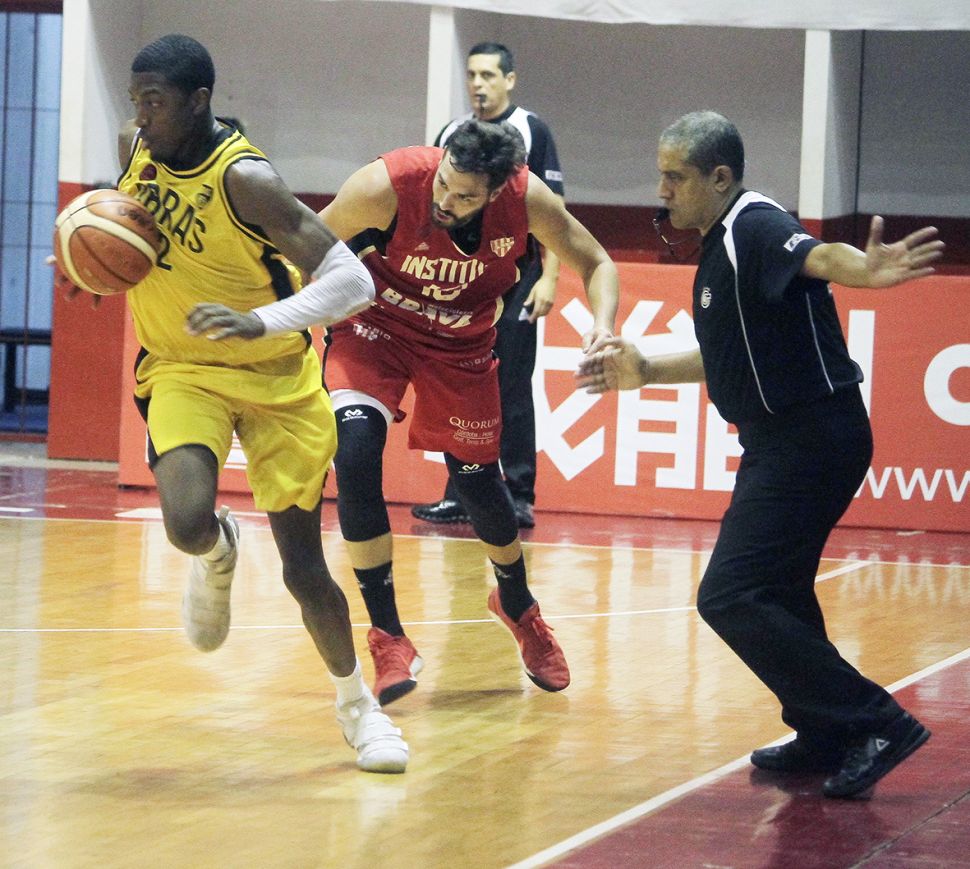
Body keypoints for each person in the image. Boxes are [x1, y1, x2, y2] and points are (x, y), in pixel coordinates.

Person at [576, 111, 943, 799]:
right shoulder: (722, 246)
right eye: (661, 175)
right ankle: (825, 728)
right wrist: (645, 370)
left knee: (731, 594)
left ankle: (877, 722)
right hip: (784, 441)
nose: (662, 191)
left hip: (812, 439)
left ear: (719, 177)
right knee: (778, 592)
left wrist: (867, 272)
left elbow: (820, 257)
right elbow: (727, 353)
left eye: (675, 177)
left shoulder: (754, 224)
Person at [196, 119, 619, 706]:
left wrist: (603, 327)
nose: (446, 201)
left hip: (462, 345)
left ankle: (517, 603)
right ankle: (388, 634)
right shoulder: (386, 185)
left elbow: (596, 262)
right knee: (354, 456)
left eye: (465, 196)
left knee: (477, 483)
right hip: (373, 330)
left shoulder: (528, 200)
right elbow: (301, 249)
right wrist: (259, 317)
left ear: (498, 190)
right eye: (444, 183)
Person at [109, 34, 408, 773]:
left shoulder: (246, 179)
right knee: (185, 522)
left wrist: (260, 321)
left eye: (155, 101)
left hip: (276, 378)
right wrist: (90, 268)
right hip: (183, 367)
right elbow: (129, 246)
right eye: (136, 99)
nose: (141, 115)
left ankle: (357, 708)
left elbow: (354, 282)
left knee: (303, 569)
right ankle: (217, 551)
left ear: (199, 101)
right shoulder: (136, 150)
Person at [411, 41, 565, 530]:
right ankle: (460, 494)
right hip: (464, 277)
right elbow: (431, 201)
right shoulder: (452, 133)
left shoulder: (532, 130)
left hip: (518, 274)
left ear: (509, 80)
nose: (479, 84)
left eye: (489, 75)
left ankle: (518, 494)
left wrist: (549, 278)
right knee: (460, 382)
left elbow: (555, 215)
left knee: (511, 383)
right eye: (473, 75)